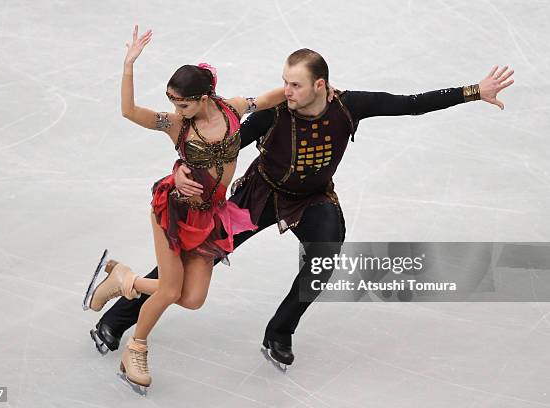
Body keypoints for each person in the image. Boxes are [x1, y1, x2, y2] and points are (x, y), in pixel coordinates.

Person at [89, 47, 515, 371]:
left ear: (320, 86)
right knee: (194, 256)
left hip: (313, 199)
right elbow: (216, 147)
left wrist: (475, 91)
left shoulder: (350, 105)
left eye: (294, 85)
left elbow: (412, 103)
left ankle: (279, 333)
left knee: (324, 258)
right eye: (284, 82)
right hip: (260, 194)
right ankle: (117, 318)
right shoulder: (273, 115)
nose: (284, 91)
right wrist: (183, 168)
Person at [81, 25, 287, 391]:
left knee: (191, 299)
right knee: (169, 290)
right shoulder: (177, 124)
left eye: (184, 102)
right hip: (173, 212)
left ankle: (122, 279)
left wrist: (296, 91)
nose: (177, 109)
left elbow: (266, 100)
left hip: (210, 216)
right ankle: (136, 349)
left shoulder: (233, 110)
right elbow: (129, 111)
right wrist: (129, 65)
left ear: (205, 96)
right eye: (174, 102)